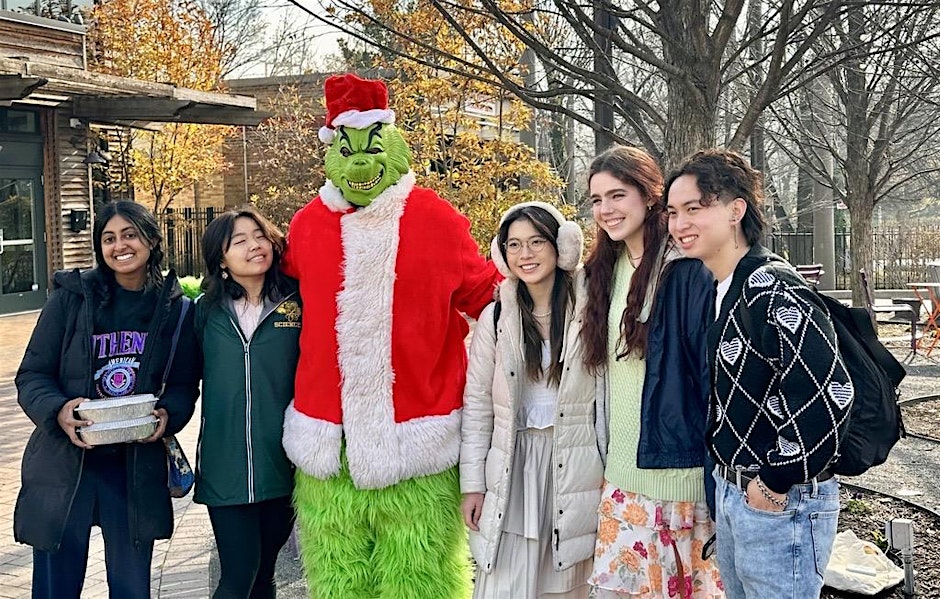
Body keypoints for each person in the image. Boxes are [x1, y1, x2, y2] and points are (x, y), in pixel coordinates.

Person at [280, 73, 500, 598]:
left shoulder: (437, 219)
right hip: (327, 451)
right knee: (337, 578)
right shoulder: (307, 225)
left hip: (417, 446)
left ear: (395, 146)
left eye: (373, 147)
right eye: (347, 149)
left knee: (420, 578)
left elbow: (492, 301)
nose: (361, 163)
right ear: (330, 153)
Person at [664, 149, 851, 598]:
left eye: (694, 208)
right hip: (737, 494)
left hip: (778, 500)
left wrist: (773, 483)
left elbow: (831, 394)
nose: (679, 223)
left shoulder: (774, 288)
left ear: (735, 210)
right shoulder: (723, 287)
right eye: (672, 212)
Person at [14, 200, 200, 598]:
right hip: (67, 464)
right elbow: (32, 375)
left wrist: (170, 416)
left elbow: (184, 384)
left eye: (130, 234)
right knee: (55, 586)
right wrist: (59, 411)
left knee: (132, 587)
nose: (120, 246)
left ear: (151, 238)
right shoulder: (70, 299)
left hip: (133, 470)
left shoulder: (175, 311)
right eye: (109, 238)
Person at [581, 145, 724, 598]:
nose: (606, 209)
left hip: (677, 484)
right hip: (620, 480)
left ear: (649, 196)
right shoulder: (603, 270)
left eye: (617, 195)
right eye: (597, 199)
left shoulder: (685, 271)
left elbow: (708, 378)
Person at [460, 202, 602, 599]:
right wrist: (473, 486)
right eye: (515, 244)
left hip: (572, 462)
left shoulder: (589, 312)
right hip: (512, 464)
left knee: (566, 580)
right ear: (501, 253)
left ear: (561, 247)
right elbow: (477, 408)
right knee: (506, 581)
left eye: (537, 241)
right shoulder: (496, 316)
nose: (526, 254)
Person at [194, 207, 301, 599]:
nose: (254, 246)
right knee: (238, 575)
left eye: (259, 235)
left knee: (264, 577)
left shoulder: (296, 302)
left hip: (283, 462)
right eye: (239, 241)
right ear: (221, 260)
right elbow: (184, 380)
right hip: (226, 467)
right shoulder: (205, 312)